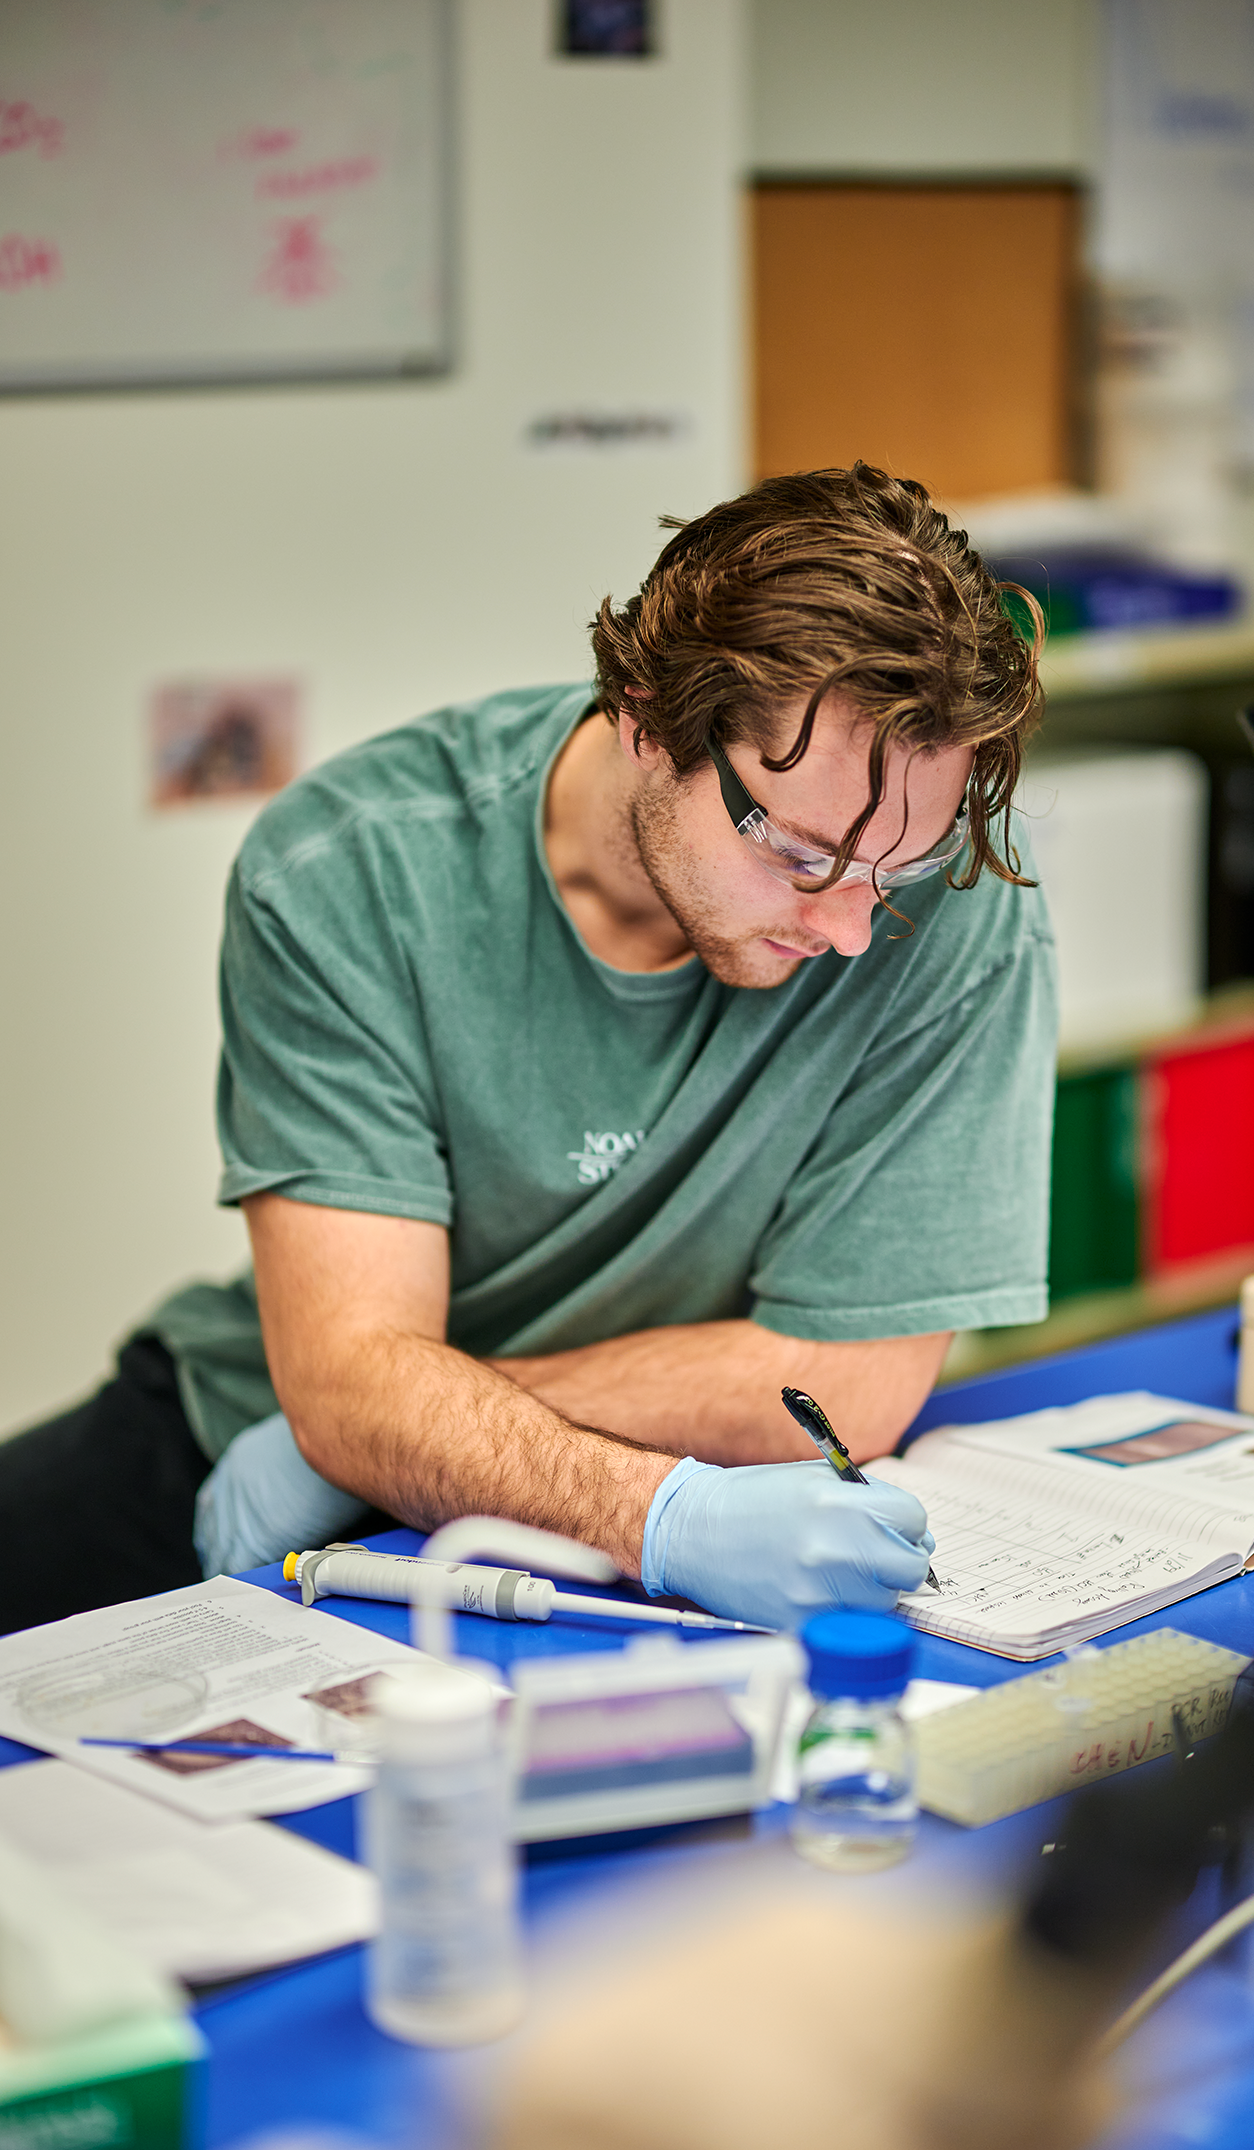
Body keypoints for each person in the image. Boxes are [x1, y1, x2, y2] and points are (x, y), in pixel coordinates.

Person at [0, 465, 1057, 1635]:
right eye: (804, 858)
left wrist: (414, 1428)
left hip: (627, 1490)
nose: (853, 928)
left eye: (892, 871)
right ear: (647, 719)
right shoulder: (354, 874)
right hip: (247, 1451)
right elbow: (347, 1377)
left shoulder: (948, 903)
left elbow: (846, 1382)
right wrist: (371, 1425)